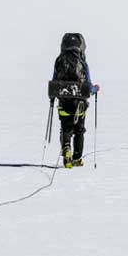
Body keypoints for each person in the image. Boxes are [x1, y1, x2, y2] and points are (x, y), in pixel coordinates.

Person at [51, 32, 98, 168]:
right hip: (80, 104)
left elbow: (54, 81)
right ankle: (77, 158)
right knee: (79, 129)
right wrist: (95, 89)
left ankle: (66, 148)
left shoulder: (59, 61)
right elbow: (88, 86)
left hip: (64, 102)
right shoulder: (83, 62)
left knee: (66, 128)